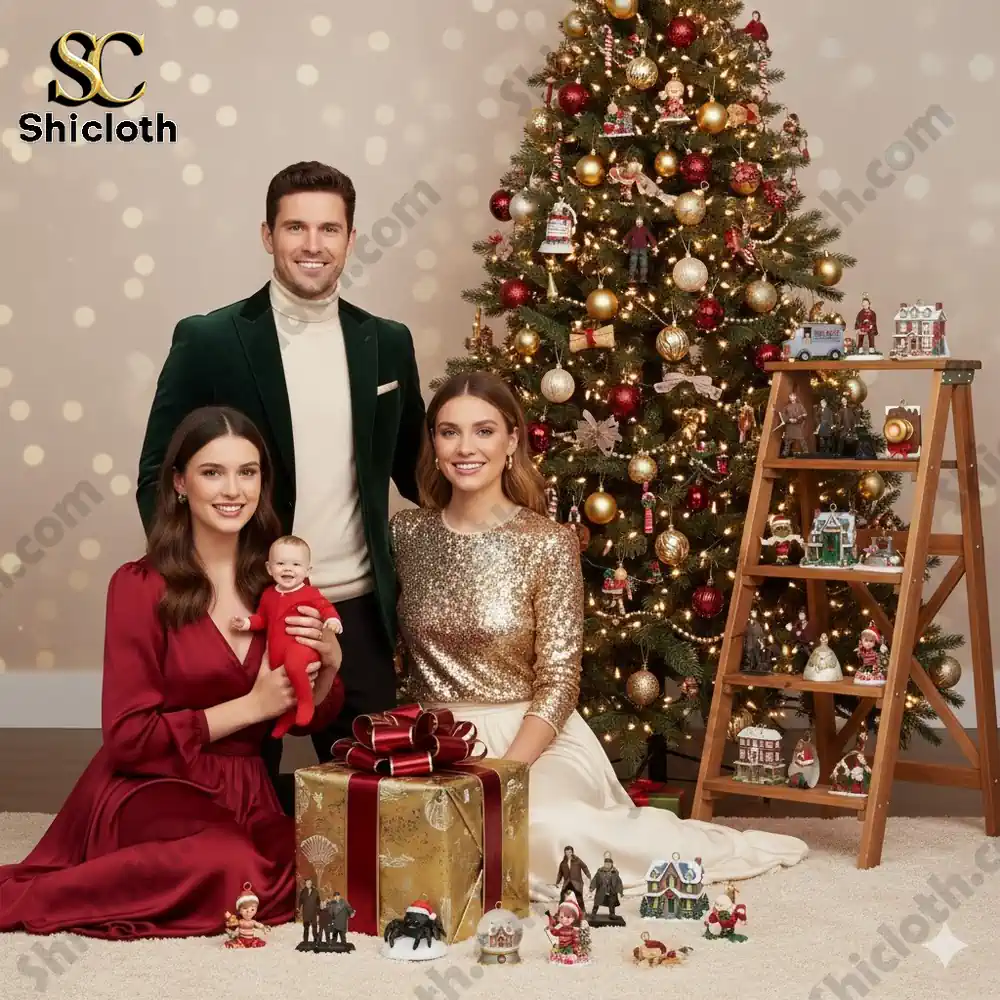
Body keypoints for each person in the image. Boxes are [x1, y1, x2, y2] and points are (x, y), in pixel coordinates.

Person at [389, 371, 808, 901]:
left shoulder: (547, 543)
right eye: (449, 432)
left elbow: (560, 679)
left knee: (545, 829)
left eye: (484, 431)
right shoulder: (406, 534)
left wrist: (503, 772)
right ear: (433, 442)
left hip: (533, 739)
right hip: (435, 741)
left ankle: (687, 848)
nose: (466, 447)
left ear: (513, 439)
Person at [135, 162, 425, 810]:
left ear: (352, 238)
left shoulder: (387, 343)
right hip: (243, 607)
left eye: (329, 228)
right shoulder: (210, 339)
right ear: (267, 235)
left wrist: (516, 519)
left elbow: (419, 473)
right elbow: (158, 473)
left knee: (379, 814)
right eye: (296, 226)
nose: (313, 244)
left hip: (352, 612)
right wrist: (199, 586)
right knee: (232, 809)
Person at [0, 407, 345, 939]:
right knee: (230, 864)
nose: (233, 489)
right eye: (213, 472)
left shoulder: (277, 588)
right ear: (180, 483)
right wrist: (248, 708)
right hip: (152, 786)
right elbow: (127, 737)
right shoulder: (138, 586)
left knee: (328, 861)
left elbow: (303, 715)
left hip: (246, 789)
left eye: (248, 472)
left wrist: (328, 670)